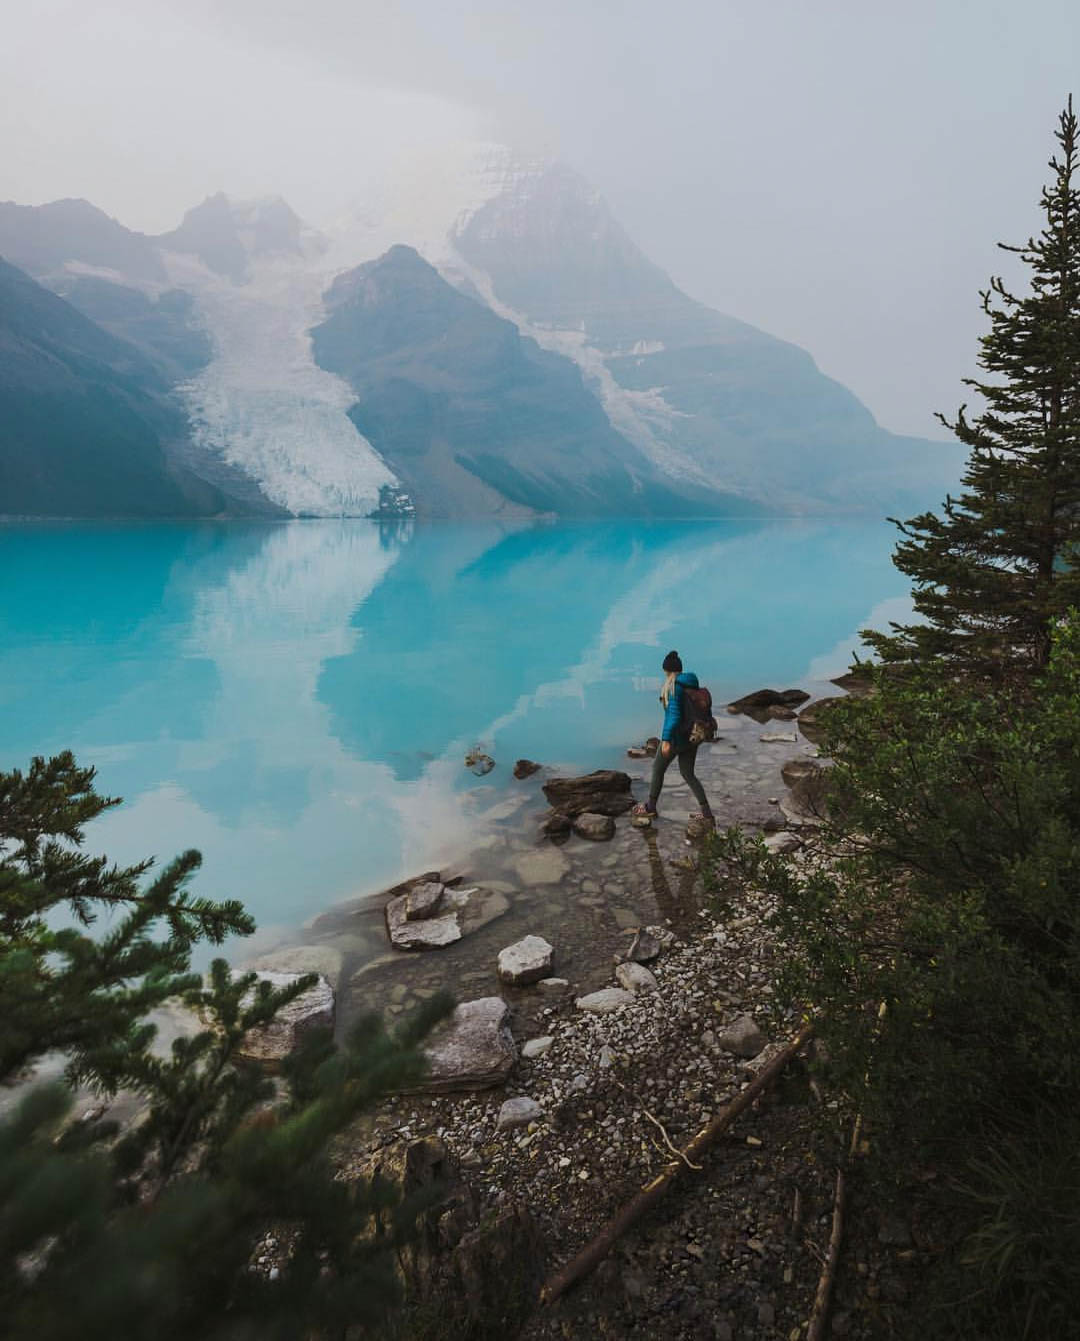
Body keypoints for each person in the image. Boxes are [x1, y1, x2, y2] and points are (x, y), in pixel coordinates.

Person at [632, 650, 714, 825]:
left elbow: (673, 717)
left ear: (667, 671)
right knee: (688, 774)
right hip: (693, 737)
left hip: (677, 739)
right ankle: (707, 814)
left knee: (657, 768)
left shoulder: (673, 687)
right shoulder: (693, 686)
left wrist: (666, 740)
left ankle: (650, 807)